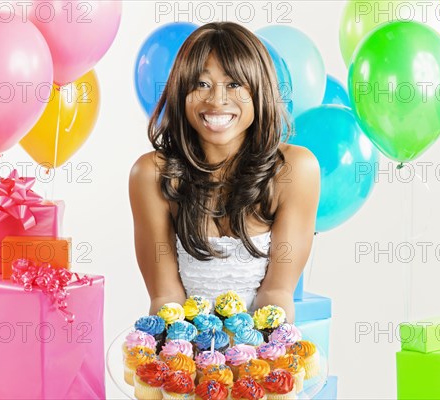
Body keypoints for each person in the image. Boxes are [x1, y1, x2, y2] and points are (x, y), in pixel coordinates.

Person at [129, 21, 320, 323]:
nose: (217, 101)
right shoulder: (150, 173)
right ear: (181, 91)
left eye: (234, 84)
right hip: (187, 353)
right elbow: (166, 298)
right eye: (201, 84)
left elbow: (276, 295)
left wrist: (258, 363)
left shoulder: (295, 169)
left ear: (259, 90)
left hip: (261, 353)